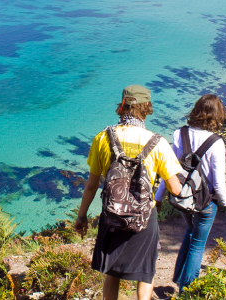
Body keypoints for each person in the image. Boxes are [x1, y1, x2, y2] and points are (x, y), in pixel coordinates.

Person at [74, 85, 183, 300]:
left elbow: (91, 185)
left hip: (111, 217)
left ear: (122, 106)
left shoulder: (103, 138)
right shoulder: (158, 143)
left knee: (112, 273)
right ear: (146, 107)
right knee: (146, 273)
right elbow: (175, 189)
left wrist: (81, 216)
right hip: (144, 219)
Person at [155, 94, 226, 292]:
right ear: (217, 115)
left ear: (196, 110)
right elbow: (218, 179)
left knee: (190, 232)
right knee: (198, 243)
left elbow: (168, 169)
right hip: (206, 202)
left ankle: (180, 276)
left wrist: (158, 196)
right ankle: (187, 290)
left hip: (184, 198)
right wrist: (224, 202)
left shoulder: (179, 134)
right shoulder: (216, 142)